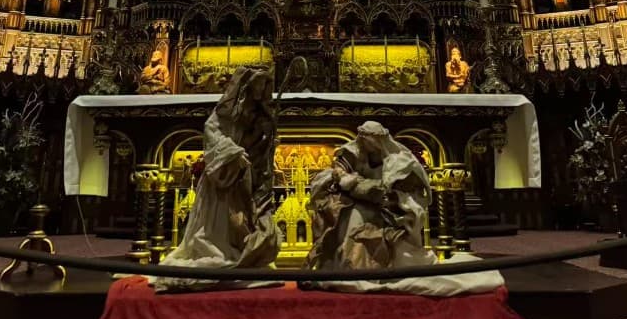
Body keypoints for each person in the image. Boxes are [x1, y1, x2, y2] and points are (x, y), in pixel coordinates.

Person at [306, 121, 502, 295]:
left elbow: (391, 191)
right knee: (345, 214)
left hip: (389, 210)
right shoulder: (355, 153)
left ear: (380, 140)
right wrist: (345, 180)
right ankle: (347, 268)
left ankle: (368, 270)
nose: (367, 144)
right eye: (363, 139)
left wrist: (362, 187)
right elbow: (339, 171)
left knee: (360, 218)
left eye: (371, 140)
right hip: (359, 203)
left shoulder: (397, 161)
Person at [153, 67, 281, 289]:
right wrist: (232, 152)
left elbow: (260, 146)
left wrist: (267, 141)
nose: (261, 89)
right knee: (220, 221)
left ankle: (242, 251)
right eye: (258, 84)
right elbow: (211, 131)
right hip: (224, 173)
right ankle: (218, 248)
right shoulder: (227, 111)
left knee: (243, 219)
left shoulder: (260, 114)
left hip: (245, 176)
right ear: (247, 86)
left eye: (265, 85)